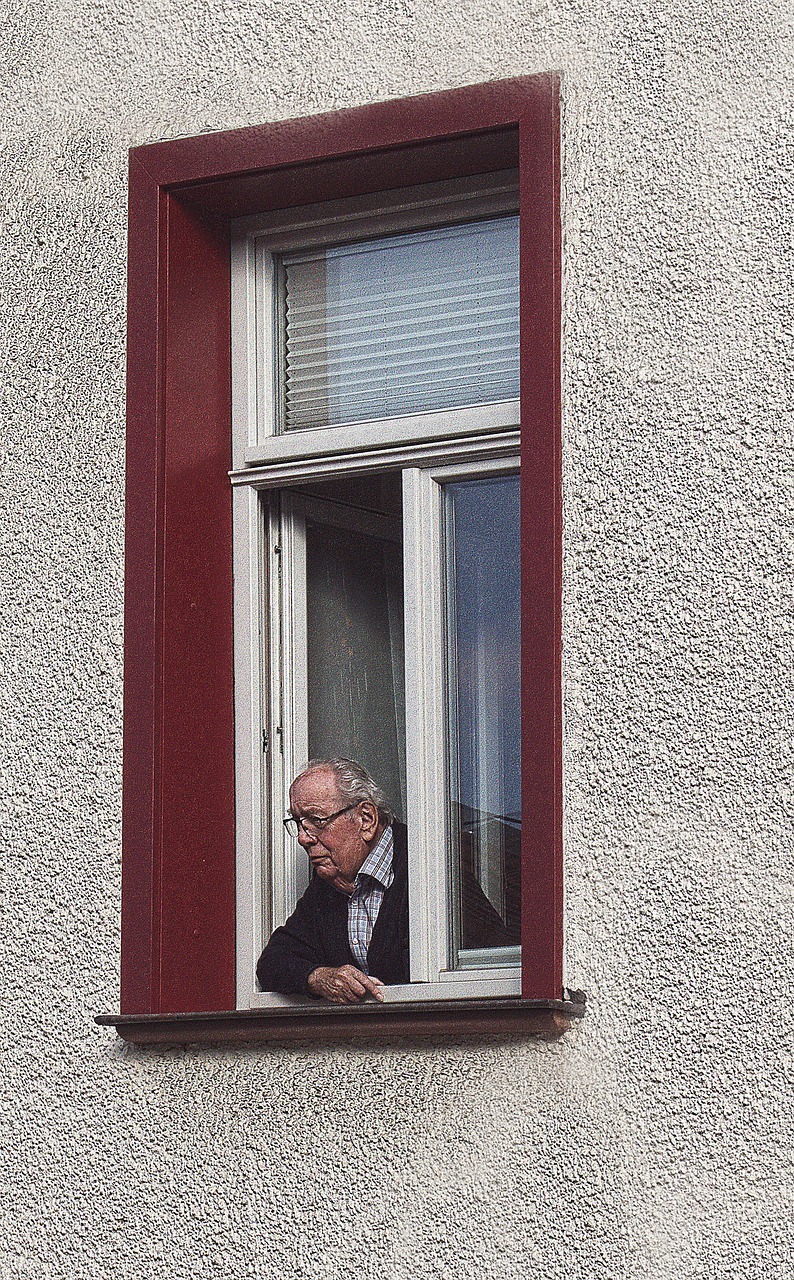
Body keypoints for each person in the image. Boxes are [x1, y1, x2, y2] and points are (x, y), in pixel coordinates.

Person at [257, 758, 409, 1003]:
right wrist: (318, 977)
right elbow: (273, 961)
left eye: (316, 821)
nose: (302, 839)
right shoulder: (327, 886)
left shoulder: (425, 864)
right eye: (298, 823)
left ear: (366, 819)